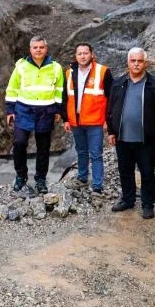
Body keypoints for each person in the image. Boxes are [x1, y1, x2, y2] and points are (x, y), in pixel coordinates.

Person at [106, 47, 155, 219]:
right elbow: (110, 109)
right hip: (122, 137)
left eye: (139, 61)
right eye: (133, 60)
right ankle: (128, 199)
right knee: (125, 170)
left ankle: (148, 204)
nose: (136, 64)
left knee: (147, 172)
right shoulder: (118, 83)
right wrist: (111, 131)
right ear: (128, 62)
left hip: (145, 139)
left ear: (145, 63)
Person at [5, 36, 64, 194]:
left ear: (46, 48)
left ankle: (41, 179)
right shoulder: (21, 66)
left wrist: (58, 110)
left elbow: (59, 90)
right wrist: (10, 110)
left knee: (43, 148)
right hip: (24, 110)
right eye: (35, 47)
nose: (38, 50)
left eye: (41, 47)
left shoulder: (56, 68)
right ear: (30, 49)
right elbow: (12, 88)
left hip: (46, 111)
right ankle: (21, 176)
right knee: (19, 143)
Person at [61, 43, 113, 194]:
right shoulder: (69, 73)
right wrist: (65, 119)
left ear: (91, 54)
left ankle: (97, 186)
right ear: (75, 56)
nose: (83, 56)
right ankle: (82, 178)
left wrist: (107, 121)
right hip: (76, 122)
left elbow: (111, 98)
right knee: (81, 151)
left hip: (95, 122)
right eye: (80, 54)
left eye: (85, 53)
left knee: (96, 153)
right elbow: (65, 97)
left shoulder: (103, 71)